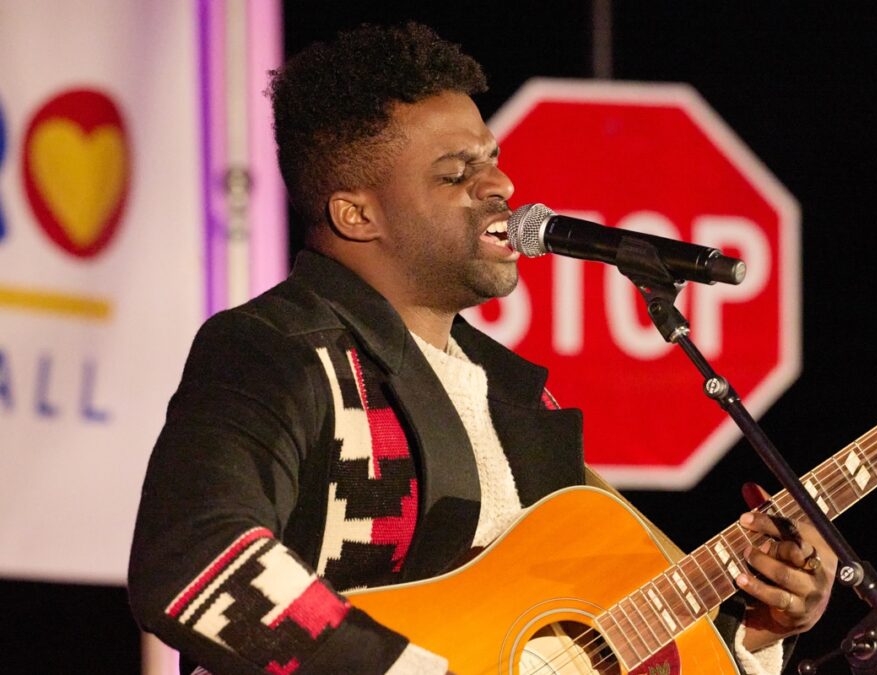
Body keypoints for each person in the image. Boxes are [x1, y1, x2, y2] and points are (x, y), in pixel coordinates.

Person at [128, 22, 835, 675]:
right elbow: (196, 560)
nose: (501, 186)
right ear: (356, 213)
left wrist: (756, 626)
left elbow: (600, 641)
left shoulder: (518, 396)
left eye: (492, 160)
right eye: (455, 173)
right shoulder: (277, 347)